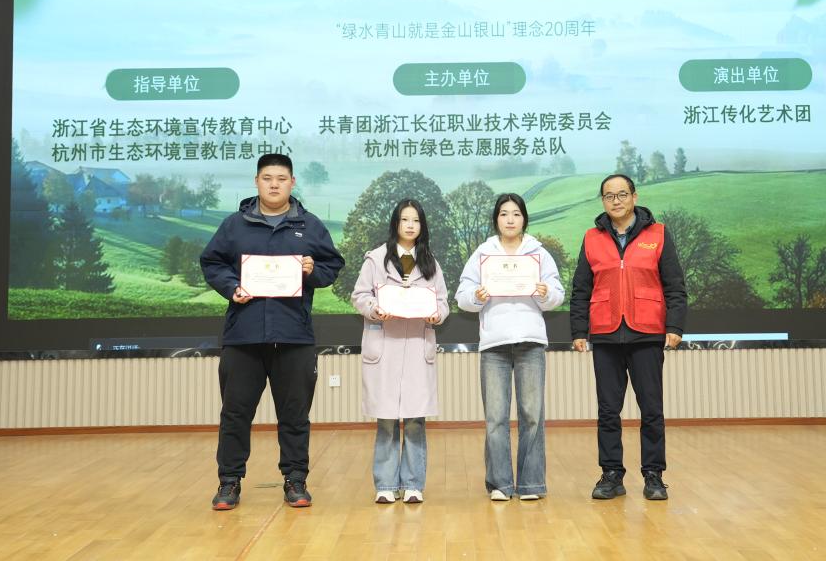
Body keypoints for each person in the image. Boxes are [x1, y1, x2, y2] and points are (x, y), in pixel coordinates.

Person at [199, 153, 344, 511]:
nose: (274, 184)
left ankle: (295, 480)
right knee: (235, 414)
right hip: (243, 336)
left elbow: (332, 265)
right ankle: (229, 481)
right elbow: (212, 261)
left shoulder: (309, 225)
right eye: (267, 178)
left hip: (294, 335)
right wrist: (232, 287)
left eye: (281, 178)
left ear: (292, 183)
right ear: (257, 182)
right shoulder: (235, 225)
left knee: (294, 415)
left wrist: (311, 270)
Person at [570, 173, 687, 501]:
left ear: (635, 197)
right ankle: (611, 475)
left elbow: (675, 286)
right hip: (606, 334)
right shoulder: (591, 238)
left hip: (647, 333)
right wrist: (579, 330)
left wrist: (675, 327)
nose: (616, 201)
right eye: (609, 196)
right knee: (608, 410)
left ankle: (654, 475)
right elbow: (581, 289)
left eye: (622, 194)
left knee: (651, 408)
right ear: (603, 201)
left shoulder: (658, 234)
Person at [456, 193, 564, 502]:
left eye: (516, 213)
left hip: (531, 342)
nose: (510, 219)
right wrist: (477, 295)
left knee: (532, 415)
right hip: (495, 345)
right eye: (504, 214)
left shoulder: (539, 253)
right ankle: (500, 484)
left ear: (524, 219)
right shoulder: (483, 253)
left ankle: (531, 484)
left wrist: (545, 293)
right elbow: (462, 297)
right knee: (496, 418)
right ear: (496, 220)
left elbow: (557, 294)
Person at [350, 198, 449, 504]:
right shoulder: (375, 259)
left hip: (417, 347)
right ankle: (385, 484)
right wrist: (374, 308)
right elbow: (359, 296)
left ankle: (413, 483)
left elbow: (443, 302)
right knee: (387, 419)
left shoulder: (430, 262)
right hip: (385, 347)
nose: (410, 225)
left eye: (416, 221)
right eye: (405, 219)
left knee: (415, 420)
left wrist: (437, 315)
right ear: (395, 223)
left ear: (422, 226)